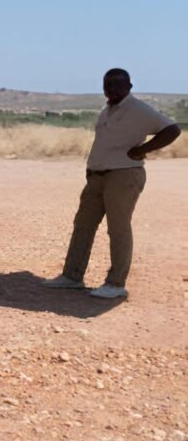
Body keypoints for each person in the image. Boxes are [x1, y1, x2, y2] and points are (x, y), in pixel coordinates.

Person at [43, 68, 181, 299]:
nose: (112, 89)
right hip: (98, 176)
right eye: (108, 85)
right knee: (83, 225)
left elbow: (172, 130)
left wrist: (142, 150)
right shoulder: (107, 110)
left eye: (118, 84)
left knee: (118, 228)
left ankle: (116, 284)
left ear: (129, 86)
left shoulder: (138, 109)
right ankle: (72, 276)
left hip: (124, 175)